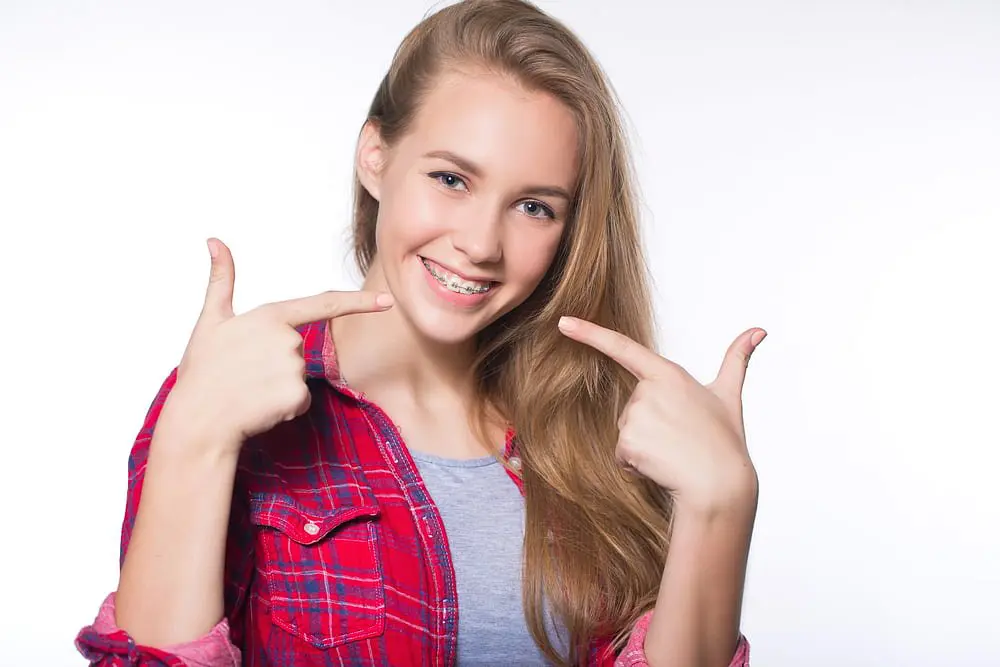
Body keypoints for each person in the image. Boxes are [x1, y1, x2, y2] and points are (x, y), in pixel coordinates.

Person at [76, 0, 764, 665]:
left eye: (533, 206)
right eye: (451, 178)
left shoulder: (591, 436)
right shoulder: (230, 401)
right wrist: (195, 436)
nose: (480, 243)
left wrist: (720, 506)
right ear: (374, 155)